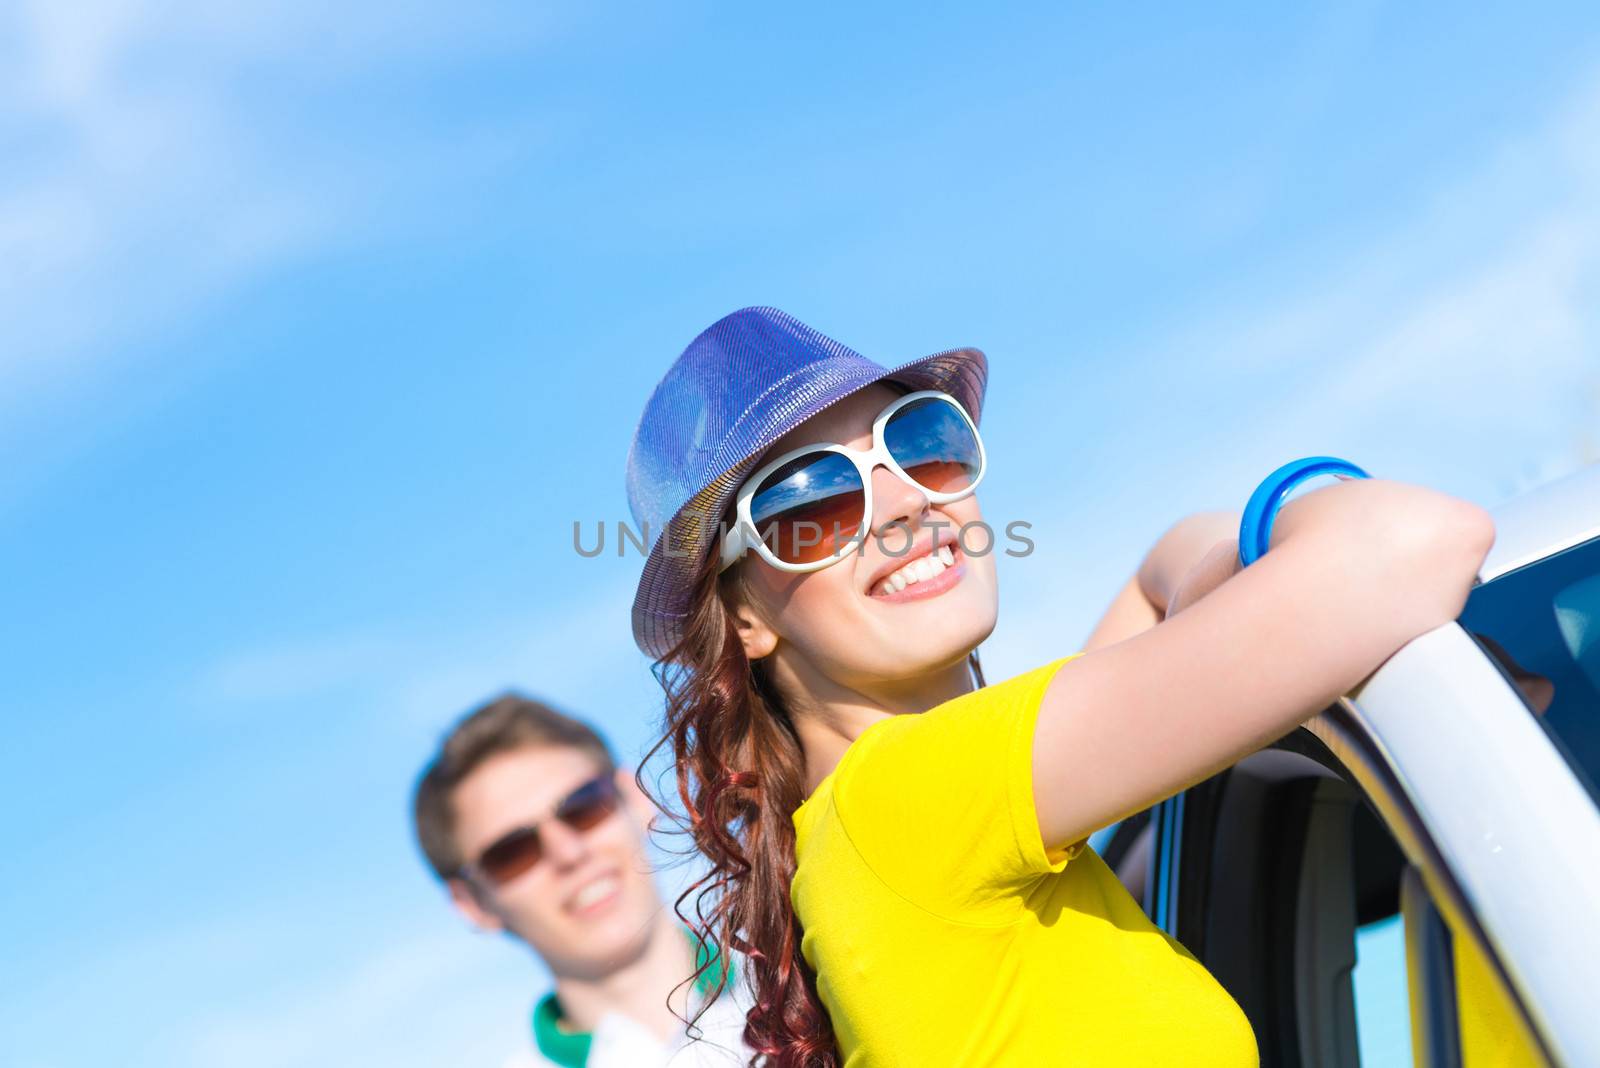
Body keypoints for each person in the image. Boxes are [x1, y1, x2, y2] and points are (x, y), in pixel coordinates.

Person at [624, 307, 1495, 1066]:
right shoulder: (911, 795)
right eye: (808, 504)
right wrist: (1273, 531)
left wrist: (1225, 582)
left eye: (920, 445)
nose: (903, 505)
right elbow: (1413, 544)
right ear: (744, 622)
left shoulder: (880, 835)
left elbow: (1158, 579)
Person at [412, 693, 751, 1067]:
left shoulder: (806, 974)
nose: (568, 853)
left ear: (636, 800)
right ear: (472, 904)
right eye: (513, 852)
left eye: (583, 808)